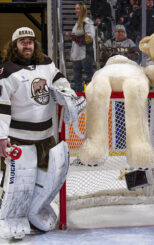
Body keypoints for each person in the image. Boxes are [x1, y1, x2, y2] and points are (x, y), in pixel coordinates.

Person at [0, 27, 84, 239]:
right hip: (20, 139)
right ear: (14, 45)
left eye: (30, 41)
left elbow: (58, 79)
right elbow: (1, 107)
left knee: (48, 180)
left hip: (46, 137)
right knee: (20, 182)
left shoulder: (46, 62)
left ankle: (34, 212)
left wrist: (67, 93)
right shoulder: (6, 71)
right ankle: (11, 217)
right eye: (22, 42)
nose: (27, 45)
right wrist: (1, 137)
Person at [66, 2, 96, 93]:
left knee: (90, 77)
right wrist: (72, 37)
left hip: (85, 54)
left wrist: (74, 38)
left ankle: (94, 95)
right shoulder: (77, 23)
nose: (76, 10)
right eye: (75, 8)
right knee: (77, 78)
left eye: (78, 8)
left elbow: (90, 37)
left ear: (83, 9)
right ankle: (78, 97)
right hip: (76, 54)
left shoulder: (87, 22)